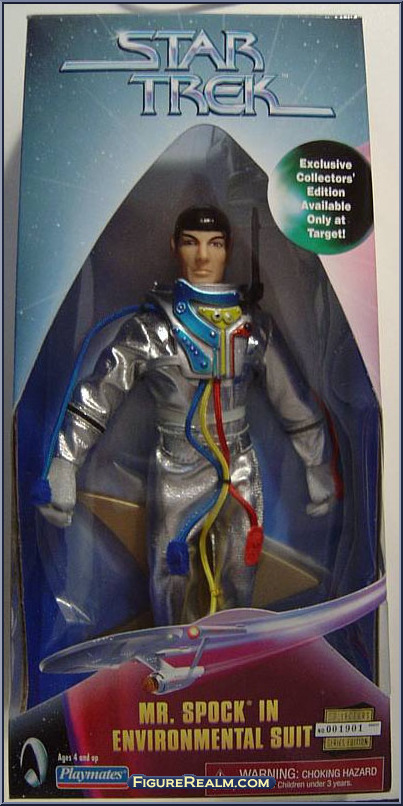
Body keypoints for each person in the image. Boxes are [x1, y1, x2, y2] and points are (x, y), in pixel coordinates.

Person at [37, 206, 336, 626]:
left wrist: (317, 463)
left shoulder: (252, 328)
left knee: (239, 572)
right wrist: (65, 462)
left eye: (215, 244)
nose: (203, 256)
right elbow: (100, 393)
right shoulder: (152, 329)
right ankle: (174, 652)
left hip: (238, 467)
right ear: (174, 247)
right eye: (191, 243)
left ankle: (232, 650)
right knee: (170, 574)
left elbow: (293, 399)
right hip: (175, 467)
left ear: (229, 249)